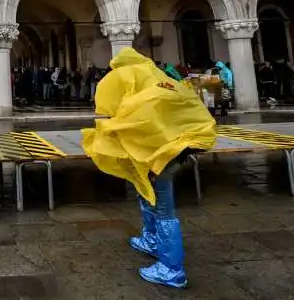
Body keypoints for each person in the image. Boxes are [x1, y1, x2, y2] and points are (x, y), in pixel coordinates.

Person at [82, 48, 216, 288]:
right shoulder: (161, 79)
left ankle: (171, 269)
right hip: (175, 147)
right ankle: (151, 240)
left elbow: (107, 109)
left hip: (158, 152)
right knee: (146, 192)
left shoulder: (126, 80)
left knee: (163, 206)